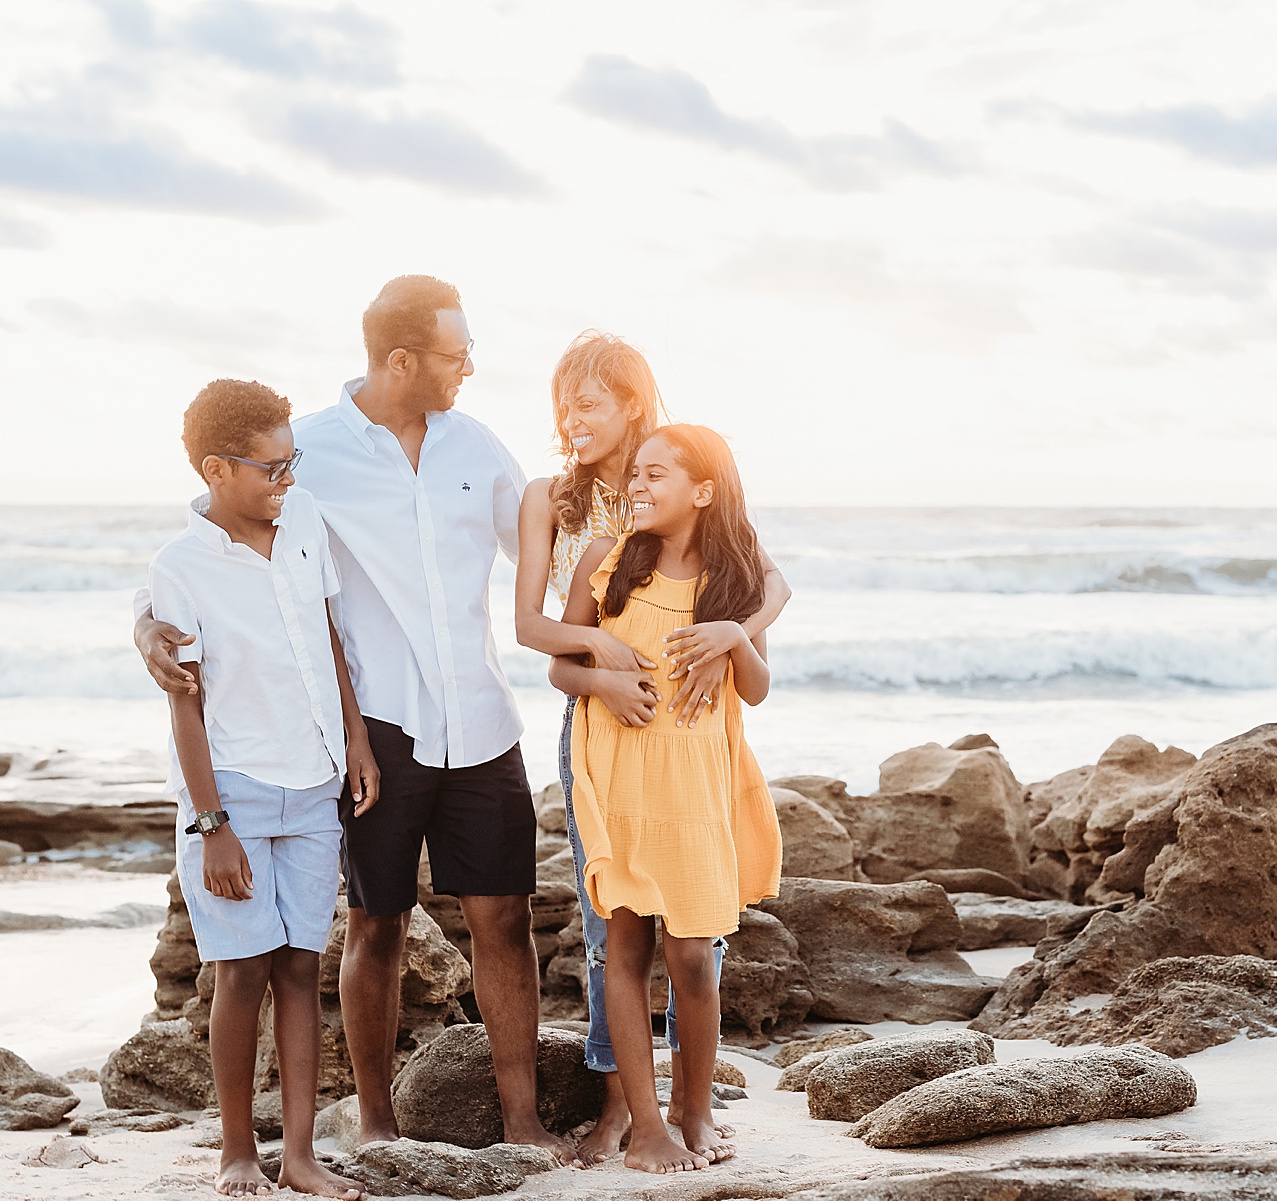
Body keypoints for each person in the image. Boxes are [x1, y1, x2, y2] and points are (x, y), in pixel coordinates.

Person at [136, 276, 570, 1161]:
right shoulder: (312, 455)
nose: (470, 369)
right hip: (377, 726)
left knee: (504, 918)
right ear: (402, 359)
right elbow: (221, 559)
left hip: (483, 720)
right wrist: (146, 623)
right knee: (377, 921)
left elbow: (544, 567)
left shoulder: (481, 450)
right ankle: (375, 1119)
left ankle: (522, 1118)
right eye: (457, 354)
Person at [513, 333, 790, 1164]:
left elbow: (772, 586)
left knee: (692, 943)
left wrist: (734, 631)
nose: (570, 419)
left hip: (693, 758)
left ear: (632, 401)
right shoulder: (567, 511)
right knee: (611, 933)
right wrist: (601, 668)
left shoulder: (687, 478)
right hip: (609, 735)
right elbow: (536, 630)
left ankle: (678, 1108)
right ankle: (627, 1111)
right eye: (561, 403)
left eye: (588, 401)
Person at [150, 379, 373, 1199]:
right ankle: (237, 1150)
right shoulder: (178, 569)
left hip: (314, 780)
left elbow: (327, 636)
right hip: (234, 789)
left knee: (299, 967)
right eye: (270, 467)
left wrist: (355, 740)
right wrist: (211, 825)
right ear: (216, 467)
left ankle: (302, 1153)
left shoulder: (303, 520)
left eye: (292, 463)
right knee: (241, 970)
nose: (286, 480)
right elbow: (187, 702)